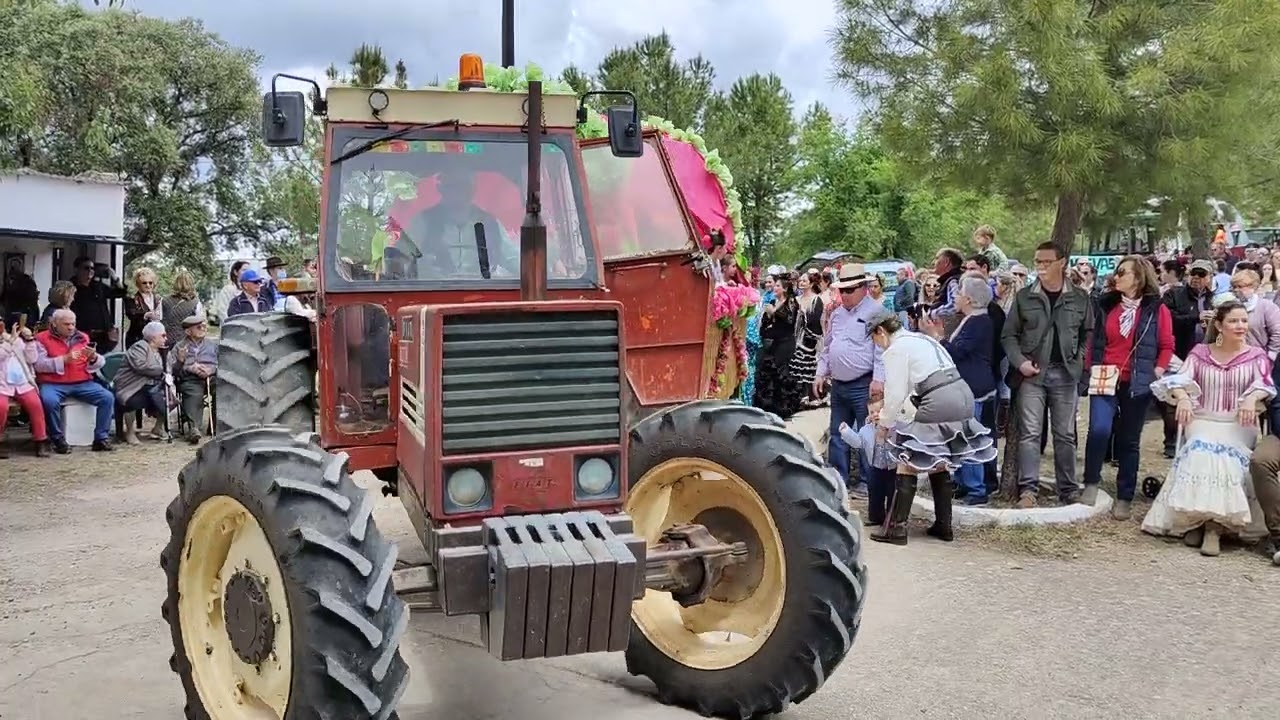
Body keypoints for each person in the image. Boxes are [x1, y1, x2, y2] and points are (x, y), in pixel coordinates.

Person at [1144, 301, 1274, 556]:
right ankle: (1198, 520)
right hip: (1203, 418)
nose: (1240, 326)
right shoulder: (1200, 353)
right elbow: (1179, 380)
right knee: (1199, 450)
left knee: (1225, 453)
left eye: (1243, 321)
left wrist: (1250, 398)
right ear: (1219, 325)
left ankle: (1213, 526)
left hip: (1237, 423)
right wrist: (1182, 397)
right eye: (1233, 321)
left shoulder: (1256, 356)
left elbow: (1265, 384)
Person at [865, 312, 996, 545]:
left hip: (937, 398)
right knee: (937, 457)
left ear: (881, 332)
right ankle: (944, 525)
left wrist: (884, 425)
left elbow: (895, 395)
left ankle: (896, 528)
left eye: (874, 338)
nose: (876, 344)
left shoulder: (896, 349)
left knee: (908, 457)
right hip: (962, 394)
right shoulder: (923, 339)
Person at [1081, 255, 1174, 519]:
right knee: (1099, 429)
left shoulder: (1157, 310)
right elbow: (1094, 340)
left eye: (1123, 272)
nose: (1116, 276)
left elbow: (1167, 345)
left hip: (1138, 382)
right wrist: (1090, 367)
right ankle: (1091, 481)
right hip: (1105, 377)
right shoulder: (1105, 305)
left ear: (1139, 277)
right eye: (1117, 272)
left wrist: (1155, 371)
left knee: (1129, 440)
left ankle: (1124, 495)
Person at [1002, 241, 1093, 508]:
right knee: (1030, 433)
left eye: (1046, 262)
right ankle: (1028, 490)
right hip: (1033, 374)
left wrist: (1078, 361)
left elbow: (1088, 333)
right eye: (1037, 262)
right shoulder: (1025, 297)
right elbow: (1009, 335)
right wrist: (1020, 363)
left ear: (1062, 262)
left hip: (1065, 374)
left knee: (1065, 434)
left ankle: (1068, 489)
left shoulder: (1079, 297)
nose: (1040, 267)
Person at [921, 274, 995, 504]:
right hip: (966, 387)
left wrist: (936, 337)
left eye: (961, 293)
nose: (957, 296)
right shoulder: (971, 319)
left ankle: (977, 489)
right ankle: (964, 482)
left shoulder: (979, 322)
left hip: (975, 387)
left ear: (970, 299)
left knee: (969, 437)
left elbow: (957, 352)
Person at [815, 264, 886, 498]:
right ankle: (839, 479)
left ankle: (868, 483)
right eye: (841, 291)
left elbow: (883, 350)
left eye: (849, 290)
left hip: (863, 383)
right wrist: (820, 373)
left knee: (867, 434)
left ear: (863, 288)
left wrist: (879, 379)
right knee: (838, 433)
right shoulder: (837, 314)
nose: (844, 295)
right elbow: (828, 346)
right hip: (839, 384)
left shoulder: (877, 312)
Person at [401, 172, 520, 278]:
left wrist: (534, 275)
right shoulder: (422, 221)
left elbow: (513, 259)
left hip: (482, 291)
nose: (458, 192)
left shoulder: (490, 223)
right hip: (432, 292)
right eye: (452, 185)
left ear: (472, 189)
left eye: (463, 186)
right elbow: (400, 259)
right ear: (441, 188)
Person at [31, 309, 114, 453]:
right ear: (54, 324)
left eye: (73, 324)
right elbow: (38, 364)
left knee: (107, 397)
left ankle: (101, 438)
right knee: (49, 401)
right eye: (66, 324)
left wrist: (93, 358)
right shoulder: (41, 339)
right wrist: (63, 360)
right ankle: (57, 439)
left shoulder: (82, 337)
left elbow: (98, 363)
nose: (70, 327)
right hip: (53, 383)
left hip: (82, 381)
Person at [839, 398, 897, 527]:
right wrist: (846, 432)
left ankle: (892, 518)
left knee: (892, 492)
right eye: (872, 412)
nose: (875, 414)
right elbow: (858, 442)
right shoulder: (866, 430)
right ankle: (876, 516)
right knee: (875, 492)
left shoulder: (893, 427)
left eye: (879, 411)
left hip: (892, 466)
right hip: (874, 466)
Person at [114, 321, 170, 444]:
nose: (166, 338)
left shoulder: (162, 350)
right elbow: (141, 367)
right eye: (163, 335)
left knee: (168, 399)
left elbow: (170, 367)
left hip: (153, 386)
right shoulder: (139, 347)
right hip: (132, 386)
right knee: (132, 401)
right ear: (153, 337)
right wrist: (162, 371)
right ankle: (129, 432)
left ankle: (157, 428)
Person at [0, 320, 48, 458]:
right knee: (1, 407)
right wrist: (10, 343)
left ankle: (41, 440)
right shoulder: (11, 340)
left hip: (22, 382)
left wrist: (29, 340)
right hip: (2, 384)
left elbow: (31, 359)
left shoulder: (16, 340)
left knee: (35, 404)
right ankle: (1, 440)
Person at [753, 273, 798, 416]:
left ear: (784, 289)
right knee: (768, 372)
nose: (774, 287)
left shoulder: (791, 302)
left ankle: (783, 407)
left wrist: (775, 313)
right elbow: (764, 325)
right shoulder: (772, 302)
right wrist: (768, 316)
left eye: (778, 285)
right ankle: (768, 406)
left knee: (781, 372)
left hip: (785, 343)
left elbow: (790, 319)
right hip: (771, 343)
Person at [782, 270, 824, 416]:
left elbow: (816, 322)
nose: (801, 282)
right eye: (800, 280)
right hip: (795, 338)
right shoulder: (797, 300)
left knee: (806, 365)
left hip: (809, 339)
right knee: (795, 367)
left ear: (811, 283)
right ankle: (798, 397)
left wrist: (806, 328)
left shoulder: (816, 300)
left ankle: (810, 396)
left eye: (804, 281)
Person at [171, 315, 218, 443]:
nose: (203, 328)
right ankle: (194, 428)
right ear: (188, 331)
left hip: (212, 377)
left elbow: (223, 364)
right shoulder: (179, 346)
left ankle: (216, 425)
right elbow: (173, 371)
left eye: (204, 326)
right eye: (199, 327)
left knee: (222, 389)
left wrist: (211, 370)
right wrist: (185, 364)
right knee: (193, 393)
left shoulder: (213, 345)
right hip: (190, 379)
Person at [68, 256, 126, 353]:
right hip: (82, 336)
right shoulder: (70, 287)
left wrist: (114, 278)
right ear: (76, 270)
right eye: (86, 268)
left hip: (103, 336)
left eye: (92, 268)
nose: (90, 271)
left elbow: (120, 292)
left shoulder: (97, 286)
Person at [161, 271, 204, 346]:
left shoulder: (164, 301)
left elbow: (158, 320)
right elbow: (199, 323)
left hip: (166, 340)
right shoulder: (196, 302)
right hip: (186, 342)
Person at [124, 267, 162, 348]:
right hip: (137, 339)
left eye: (150, 283)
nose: (148, 285)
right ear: (138, 284)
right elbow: (131, 314)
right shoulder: (131, 299)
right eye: (144, 283)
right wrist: (146, 315)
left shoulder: (158, 298)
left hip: (155, 340)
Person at [210, 261, 249, 326]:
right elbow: (222, 311)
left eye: (249, 271)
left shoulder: (251, 290)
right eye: (244, 270)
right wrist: (233, 325)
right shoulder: (227, 290)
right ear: (236, 272)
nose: (247, 273)